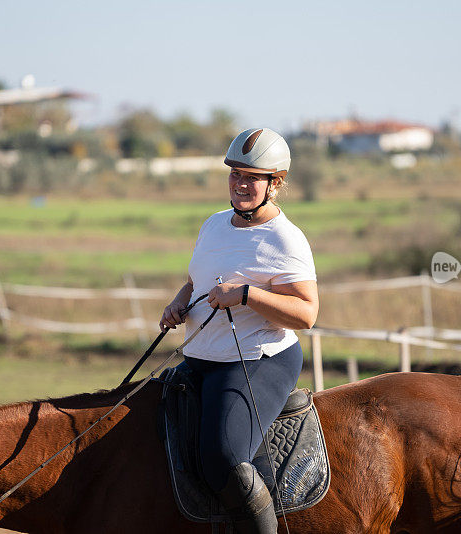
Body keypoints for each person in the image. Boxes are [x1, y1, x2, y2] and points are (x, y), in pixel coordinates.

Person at [159, 128, 319, 534]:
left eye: (252, 177)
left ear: (275, 183)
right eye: (235, 174)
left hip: (258, 360)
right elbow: (199, 281)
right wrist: (179, 302)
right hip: (199, 358)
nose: (241, 184)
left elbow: (306, 313)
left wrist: (247, 295)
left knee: (223, 458)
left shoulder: (286, 239)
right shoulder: (213, 225)